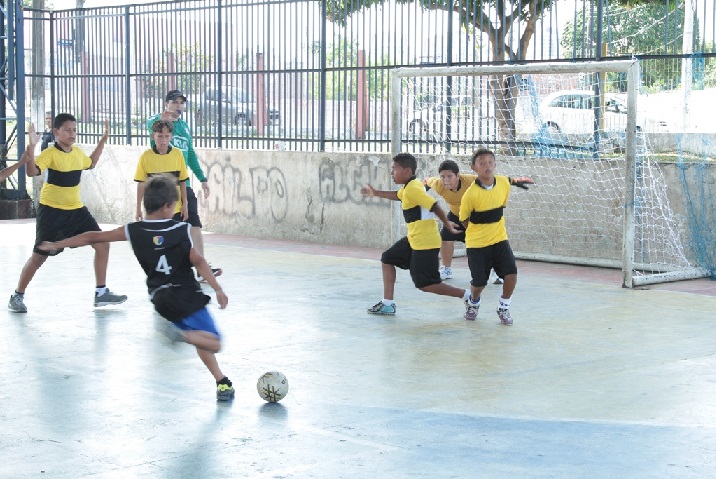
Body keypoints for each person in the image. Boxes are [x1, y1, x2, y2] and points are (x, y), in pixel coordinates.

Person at [37, 174, 235, 401]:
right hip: (187, 295)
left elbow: (95, 236)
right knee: (214, 342)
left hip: (161, 300)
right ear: (166, 206)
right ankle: (181, 336)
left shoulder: (134, 230)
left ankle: (221, 381)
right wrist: (217, 288)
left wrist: (58, 243)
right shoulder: (181, 229)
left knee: (199, 335)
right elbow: (198, 261)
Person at [7, 116, 127, 313]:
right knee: (39, 257)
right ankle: (17, 296)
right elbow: (31, 172)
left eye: (74, 130)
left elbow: (91, 163)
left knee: (102, 243)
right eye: (67, 130)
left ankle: (101, 293)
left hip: (76, 209)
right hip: (52, 211)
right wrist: (31, 147)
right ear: (56, 132)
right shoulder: (50, 153)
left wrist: (103, 140)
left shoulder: (78, 153)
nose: (72, 134)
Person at [361, 153, 473, 318]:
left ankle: (467, 295)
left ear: (406, 171)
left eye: (394, 169)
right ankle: (387, 304)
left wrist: (447, 223)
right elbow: (398, 196)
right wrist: (376, 192)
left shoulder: (413, 188)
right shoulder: (408, 187)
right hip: (414, 239)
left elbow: (434, 205)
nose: (392, 173)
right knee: (387, 258)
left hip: (425, 242)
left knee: (426, 284)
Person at [146, 90, 221, 281]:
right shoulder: (158, 124)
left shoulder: (185, 127)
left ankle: (201, 267)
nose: (179, 105)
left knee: (193, 223)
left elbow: (190, 155)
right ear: (166, 103)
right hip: (162, 186)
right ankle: (162, 268)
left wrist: (202, 178)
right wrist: (161, 118)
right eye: (175, 102)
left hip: (182, 184)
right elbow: (148, 125)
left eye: (182, 102)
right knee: (166, 228)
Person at [459, 148, 534, 325]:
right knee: (479, 283)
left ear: (495, 164)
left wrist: (517, 180)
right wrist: (479, 233)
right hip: (477, 245)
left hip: (499, 240)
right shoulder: (470, 194)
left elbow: (508, 182)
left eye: (490, 162)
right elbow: (464, 220)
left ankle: (503, 307)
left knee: (511, 275)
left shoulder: (502, 182)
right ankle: (473, 303)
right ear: (474, 168)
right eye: (482, 163)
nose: (487, 166)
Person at [423, 159, 477, 281]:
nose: (445, 179)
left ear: (458, 176)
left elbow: (490, 181)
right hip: (455, 215)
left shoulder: (471, 181)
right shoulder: (438, 184)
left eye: (449, 176)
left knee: (483, 245)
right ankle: (446, 269)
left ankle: (497, 271)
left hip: (475, 217)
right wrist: (420, 192)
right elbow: (427, 181)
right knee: (445, 237)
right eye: (442, 176)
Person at [134, 119, 189, 223]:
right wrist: (138, 208)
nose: (163, 140)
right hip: (153, 212)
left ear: (171, 137)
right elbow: (141, 184)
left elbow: (182, 181)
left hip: (174, 210)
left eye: (167, 136)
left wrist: (185, 204)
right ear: (153, 136)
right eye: (159, 136)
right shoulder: (145, 157)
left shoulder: (178, 154)